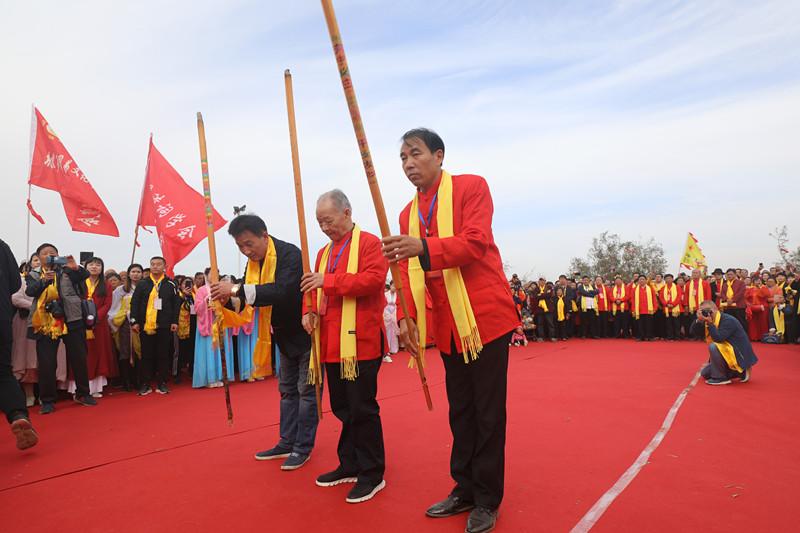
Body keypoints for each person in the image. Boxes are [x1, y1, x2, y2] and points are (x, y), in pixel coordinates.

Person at [383, 128, 519, 533]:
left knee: (488, 413)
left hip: (483, 319)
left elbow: (475, 243)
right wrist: (406, 316)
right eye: (403, 157)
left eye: (416, 154)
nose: (408, 164)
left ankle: (488, 498)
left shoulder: (471, 188)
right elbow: (405, 273)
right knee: (460, 410)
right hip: (445, 326)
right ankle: (464, 487)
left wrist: (422, 247)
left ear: (439, 156)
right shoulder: (408, 214)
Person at [211, 213, 318, 471]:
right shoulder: (253, 265)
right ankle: (286, 440)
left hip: (305, 332)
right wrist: (225, 302)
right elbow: (249, 299)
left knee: (306, 392)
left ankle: (303, 446)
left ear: (264, 235)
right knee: (287, 391)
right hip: (280, 334)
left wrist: (235, 289)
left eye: (249, 244)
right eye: (240, 247)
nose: (246, 251)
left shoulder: (290, 254)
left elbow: (282, 291)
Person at [300, 190, 388, 503]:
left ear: (347, 213)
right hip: (330, 343)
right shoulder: (323, 252)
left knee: (362, 408)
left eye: (328, 220)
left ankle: (372, 472)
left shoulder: (369, 243)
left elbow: (374, 281)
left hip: (360, 341)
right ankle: (349, 463)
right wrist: (308, 311)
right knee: (342, 407)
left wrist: (329, 281)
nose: (324, 227)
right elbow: (310, 287)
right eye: (319, 222)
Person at [26, 243, 96, 413]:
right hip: (45, 321)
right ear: (39, 257)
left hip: (72, 318)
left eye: (53, 253)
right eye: (45, 254)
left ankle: (83, 393)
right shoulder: (34, 274)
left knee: (79, 357)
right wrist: (44, 281)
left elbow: (84, 275)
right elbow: (30, 292)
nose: (49, 255)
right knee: (47, 362)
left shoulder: (68, 270)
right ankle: (47, 400)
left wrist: (75, 267)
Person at [1, 239, 38, 450]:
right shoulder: (2, 245)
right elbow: (15, 283)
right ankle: (17, 415)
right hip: (2, 319)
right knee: (3, 374)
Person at [130, 256, 179, 396]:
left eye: (158, 264)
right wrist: (134, 321)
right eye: (153, 264)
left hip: (164, 324)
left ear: (164, 266)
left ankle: (162, 383)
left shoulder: (171, 283)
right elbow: (135, 303)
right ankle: (145, 383)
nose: (155, 267)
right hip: (145, 325)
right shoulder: (143, 283)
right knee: (146, 355)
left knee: (163, 354)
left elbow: (176, 304)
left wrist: (174, 321)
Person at [691, 300, 758, 385]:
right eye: (702, 311)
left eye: (707, 310)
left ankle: (721, 377)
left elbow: (719, 339)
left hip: (738, 355)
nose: (706, 313)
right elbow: (693, 332)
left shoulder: (727, 320)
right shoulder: (709, 320)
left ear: (715, 309)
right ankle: (739, 373)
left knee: (713, 346)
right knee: (705, 373)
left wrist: (710, 323)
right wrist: (698, 320)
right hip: (728, 352)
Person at [79, 257, 116, 398]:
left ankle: (96, 387)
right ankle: (78, 388)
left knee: (98, 353)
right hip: (80, 323)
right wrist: (84, 318)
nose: (94, 267)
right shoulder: (79, 282)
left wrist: (94, 318)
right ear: (85, 266)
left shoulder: (106, 285)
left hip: (99, 325)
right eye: (91, 264)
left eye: (98, 264)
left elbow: (107, 304)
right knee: (82, 355)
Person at [192, 269, 233, 389]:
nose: (215, 276)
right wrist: (206, 301)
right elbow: (197, 308)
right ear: (206, 275)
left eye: (217, 273)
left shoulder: (221, 288)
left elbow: (227, 305)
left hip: (219, 322)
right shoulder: (201, 290)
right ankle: (210, 378)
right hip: (207, 324)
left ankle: (221, 376)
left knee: (220, 349)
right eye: (212, 273)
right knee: (209, 351)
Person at [108, 263, 143, 391]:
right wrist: (125, 315)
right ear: (128, 274)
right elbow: (113, 308)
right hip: (124, 324)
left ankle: (138, 379)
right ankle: (126, 380)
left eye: (138, 271)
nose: (136, 274)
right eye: (133, 271)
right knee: (125, 351)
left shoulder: (145, 288)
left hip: (141, 324)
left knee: (139, 351)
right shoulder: (120, 290)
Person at [12, 256, 38, 406]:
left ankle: (46, 394)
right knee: (26, 359)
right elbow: (15, 298)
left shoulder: (54, 281)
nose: (38, 264)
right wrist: (36, 307)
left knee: (45, 360)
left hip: (49, 324)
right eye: (35, 260)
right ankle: (29, 394)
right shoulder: (22, 281)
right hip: (24, 323)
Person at [175, 278, 195, 383]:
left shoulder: (195, 296)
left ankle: (192, 371)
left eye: (190, 284)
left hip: (193, 325)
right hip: (180, 327)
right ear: (180, 285)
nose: (188, 286)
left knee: (192, 350)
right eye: (185, 283)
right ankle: (177, 374)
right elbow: (176, 307)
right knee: (179, 351)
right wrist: (184, 295)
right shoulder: (178, 296)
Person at [745, 277, 770, 341]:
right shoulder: (750, 289)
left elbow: (767, 295)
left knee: (763, 322)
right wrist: (748, 305)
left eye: (759, 281)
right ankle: (754, 337)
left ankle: (763, 337)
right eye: (756, 281)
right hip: (752, 307)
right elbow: (745, 298)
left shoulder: (764, 288)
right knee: (752, 323)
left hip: (763, 307)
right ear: (753, 282)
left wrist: (761, 288)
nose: (758, 282)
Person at [659, 274, 683, 341]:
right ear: (665, 280)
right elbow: (661, 298)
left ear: (672, 279)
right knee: (668, 324)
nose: (668, 280)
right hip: (667, 309)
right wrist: (666, 304)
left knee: (677, 324)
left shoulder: (677, 287)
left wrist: (673, 304)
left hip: (676, 308)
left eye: (670, 278)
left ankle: (677, 337)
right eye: (667, 278)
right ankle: (670, 336)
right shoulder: (663, 288)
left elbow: (679, 297)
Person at [632, 275, 656, 341]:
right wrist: (633, 309)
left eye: (643, 279)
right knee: (640, 324)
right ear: (638, 281)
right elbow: (633, 300)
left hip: (649, 309)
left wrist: (654, 308)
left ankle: (649, 336)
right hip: (639, 310)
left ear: (646, 280)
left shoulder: (650, 289)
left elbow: (654, 298)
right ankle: (640, 336)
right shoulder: (635, 289)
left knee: (649, 324)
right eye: (640, 279)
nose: (641, 280)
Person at [383, 281, 399, 361]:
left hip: (394, 312)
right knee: (387, 330)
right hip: (387, 312)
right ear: (391, 285)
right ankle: (387, 349)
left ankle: (394, 348)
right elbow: (384, 304)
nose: (394, 288)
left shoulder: (398, 294)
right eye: (393, 286)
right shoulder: (386, 294)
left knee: (394, 331)